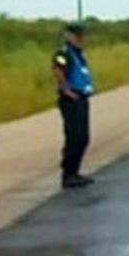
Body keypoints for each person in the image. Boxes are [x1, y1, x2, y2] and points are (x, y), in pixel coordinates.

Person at [52, 23, 95, 188]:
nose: (80, 39)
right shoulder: (63, 53)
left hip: (81, 98)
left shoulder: (78, 54)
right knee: (74, 137)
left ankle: (75, 172)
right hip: (72, 100)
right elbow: (58, 71)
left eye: (81, 35)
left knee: (83, 137)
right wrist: (67, 91)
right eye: (77, 36)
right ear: (68, 36)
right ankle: (68, 174)